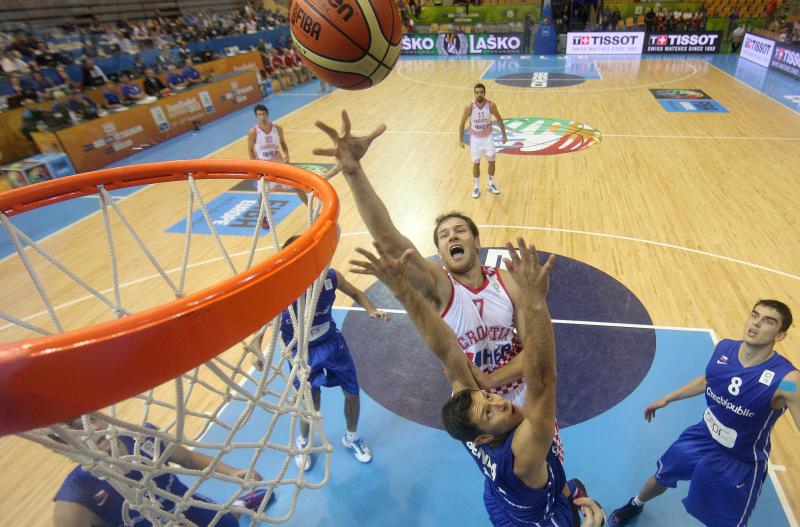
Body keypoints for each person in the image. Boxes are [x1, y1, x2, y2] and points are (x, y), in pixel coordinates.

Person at [351, 239, 603, 527]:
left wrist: (404, 293)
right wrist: (534, 302)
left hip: (498, 500)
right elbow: (544, 380)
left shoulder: (470, 424)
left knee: (538, 480)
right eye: (489, 412)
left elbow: (448, 350)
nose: (499, 402)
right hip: (539, 520)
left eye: (488, 398)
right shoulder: (523, 453)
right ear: (483, 438)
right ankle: (569, 494)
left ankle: (569, 490)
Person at [313, 112, 539, 414]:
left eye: (460, 230)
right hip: (477, 409)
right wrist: (354, 174)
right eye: (444, 235)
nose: (452, 236)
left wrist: (492, 379)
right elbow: (391, 241)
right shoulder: (441, 287)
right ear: (440, 253)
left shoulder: (507, 281)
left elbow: (535, 351)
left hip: (522, 396)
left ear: (476, 241)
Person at [610, 300, 799, 527]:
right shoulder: (724, 349)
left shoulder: (787, 381)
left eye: (768, 321)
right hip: (703, 436)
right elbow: (709, 379)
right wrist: (667, 398)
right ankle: (636, 503)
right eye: (754, 315)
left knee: (727, 521)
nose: (756, 323)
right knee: (663, 474)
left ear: (780, 335)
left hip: (740, 459)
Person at [271, 236, 389, 469]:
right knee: (311, 402)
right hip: (301, 352)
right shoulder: (279, 289)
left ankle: (352, 437)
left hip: (332, 343)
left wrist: (371, 310)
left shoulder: (330, 276)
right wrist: (255, 349)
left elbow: (356, 293)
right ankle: (303, 442)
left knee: (352, 393)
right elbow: (263, 320)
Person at [53, 416, 273, 526]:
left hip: (186, 505)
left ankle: (237, 507)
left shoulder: (142, 436)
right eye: (77, 430)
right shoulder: (74, 500)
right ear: (64, 445)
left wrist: (232, 472)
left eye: (91, 419)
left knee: (227, 524)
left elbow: (188, 458)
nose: (91, 430)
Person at [458, 83, 507, 198]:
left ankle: (490, 184)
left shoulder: (490, 105)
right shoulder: (469, 107)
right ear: (474, 93)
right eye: (477, 92)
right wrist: (461, 140)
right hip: (475, 140)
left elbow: (499, 119)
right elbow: (462, 123)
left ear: (484, 93)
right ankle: (476, 187)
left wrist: (504, 135)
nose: (479, 94)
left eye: (481, 92)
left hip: (488, 138)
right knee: (476, 164)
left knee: (492, 162)